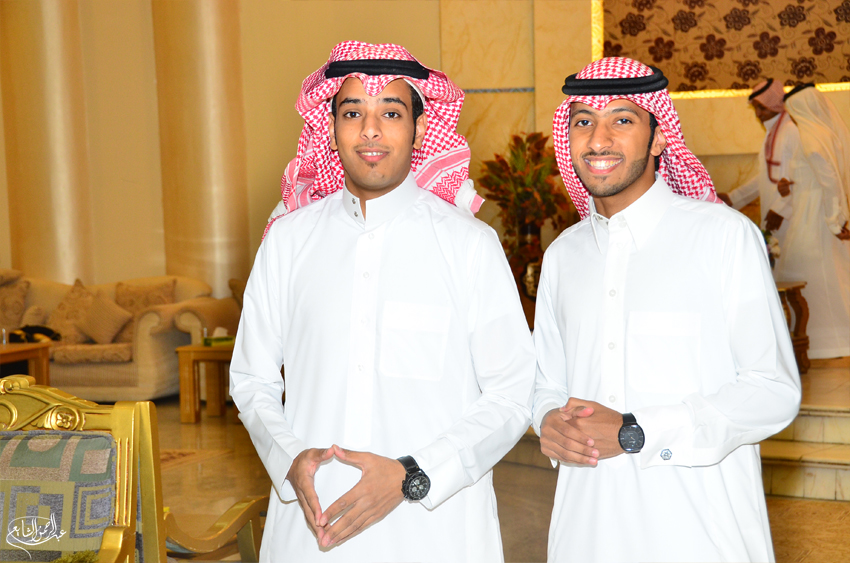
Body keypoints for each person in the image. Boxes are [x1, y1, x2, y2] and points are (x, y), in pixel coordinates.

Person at [229, 41, 535, 562]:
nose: (370, 130)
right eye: (353, 113)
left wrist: (413, 474)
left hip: (434, 529)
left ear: (420, 128)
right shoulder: (288, 241)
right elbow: (252, 379)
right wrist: (289, 458)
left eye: (391, 113)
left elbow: (511, 393)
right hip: (313, 525)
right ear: (331, 128)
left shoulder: (468, 245)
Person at [533, 57, 801, 562]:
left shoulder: (722, 237)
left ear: (659, 138)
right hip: (587, 529)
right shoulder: (563, 255)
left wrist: (636, 432)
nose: (598, 139)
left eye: (622, 119)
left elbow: (773, 390)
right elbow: (545, 382)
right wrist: (547, 419)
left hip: (698, 534)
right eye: (583, 121)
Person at [774, 83, 850, 358]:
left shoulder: (809, 137)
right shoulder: (824, 133)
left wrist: (833, 221)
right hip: (816, 212)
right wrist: (791, 184)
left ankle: (821, 343)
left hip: (815, 216)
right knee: (832, 277)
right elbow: (814, 177)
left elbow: (829, 183)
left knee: (811, 278)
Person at [718, 79, 802, 243]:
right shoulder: (773, 131)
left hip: (789, 216)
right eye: (756, 108)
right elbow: (766, 176)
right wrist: (733, 197)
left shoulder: (791, 131)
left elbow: (802, 177)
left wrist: (781, 209)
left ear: (775, 105)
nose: (757, 114)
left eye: (762, 108)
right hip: (773, 211)